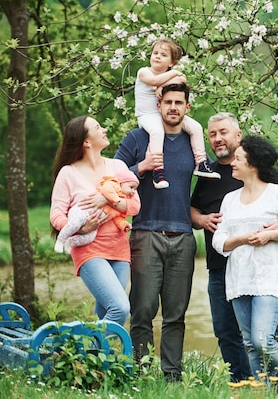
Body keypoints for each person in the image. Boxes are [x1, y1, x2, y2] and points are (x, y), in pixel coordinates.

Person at [190, 113, 278, 382]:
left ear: (238, 136)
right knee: (228, 333)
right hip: (219, 266)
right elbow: (194, 208)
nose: (217, 138)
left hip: (259, 269)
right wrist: (200, 219)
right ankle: (245, 385)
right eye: (212, 134)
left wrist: (274, 231)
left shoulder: (261, 176)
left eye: (223, 132)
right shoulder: (207, 174)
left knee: (267, 334)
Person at [115, 82, 197, 382]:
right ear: (159, 104)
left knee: (176, 315)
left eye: (180, 102)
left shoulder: (193, 143)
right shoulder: (139, 138)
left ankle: (172, 377)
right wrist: (143, 167)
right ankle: (143, 374)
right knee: (142, 310)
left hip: (184, 237)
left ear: (187, 107)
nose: (173, 107)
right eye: (168, 102)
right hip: (145, 233)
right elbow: (111, 175)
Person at [212, 135, 278, 392]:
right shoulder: (230, 199)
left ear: (252, 165)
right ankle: (262, 393)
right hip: (239, 279)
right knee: (250, 344)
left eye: (238, 159)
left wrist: (270, 234)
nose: (232, 162)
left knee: (263, 340)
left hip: (269, 278)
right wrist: (241, 239)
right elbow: (218, 241)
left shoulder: (276, 194)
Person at [50, 115, 141, 326]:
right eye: (98, 127)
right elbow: (56, 215)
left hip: (119, 249)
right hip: (89, 250)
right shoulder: (68, 173)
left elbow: (135, 205)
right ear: (86, 142)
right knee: (120, 308)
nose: (105, 129)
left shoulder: (117, 166)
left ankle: (93, 357)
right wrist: (80, 229)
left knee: (106, 314)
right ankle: (88, 355)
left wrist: (108, 199)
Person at [135, 37, 219, 188]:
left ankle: (201, 163)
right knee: (157, 131)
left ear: (171, 63)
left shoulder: (172, 74)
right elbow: (154, 81)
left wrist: (168, 82)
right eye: (155, 53)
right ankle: (158, 171)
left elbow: (183, 80)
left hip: (165, 114)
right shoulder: (143, 72)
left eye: (163, 54)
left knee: (196, 127)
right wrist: (173, 76)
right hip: (147, 115)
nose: (158, 56)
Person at [54, 169, 139, 254]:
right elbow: (106, 190)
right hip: (83, 211)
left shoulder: (121, 200)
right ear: (121, 183)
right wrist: (114, 201)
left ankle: (70, 242)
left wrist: (124, 225)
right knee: (75, 223)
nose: (133, 192)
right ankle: (60, 240)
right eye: (131, 187)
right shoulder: (114, 184)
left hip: (95, 222)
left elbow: (117, 218)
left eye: (135, 189)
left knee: (89, 238)